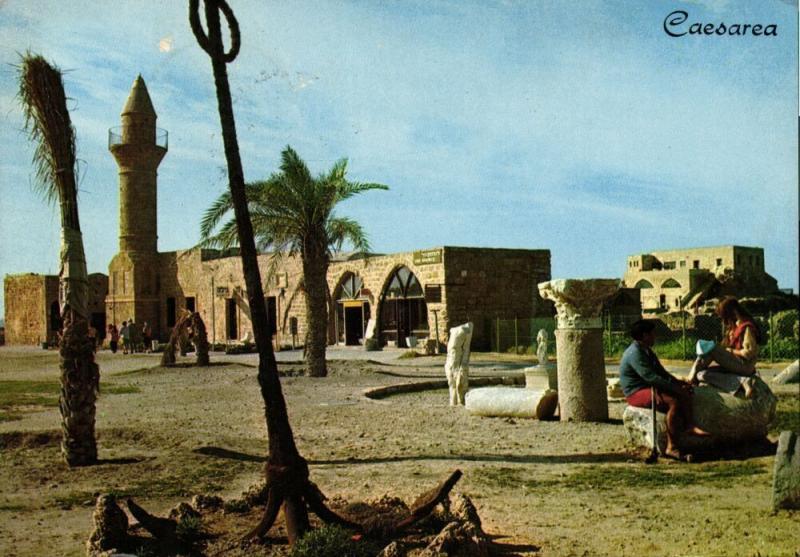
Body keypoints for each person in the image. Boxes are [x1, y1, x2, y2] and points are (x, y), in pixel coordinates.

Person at [619, 319, 708, 460]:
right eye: (651, 334)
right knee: (673, 401)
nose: (654, 337)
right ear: (644, 335)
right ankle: (671, 447)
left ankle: (690, 425)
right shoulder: (635, 353)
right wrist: (675, 389)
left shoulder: (647, 351)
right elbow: (651, 378)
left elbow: (662, 373)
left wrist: (679, 383)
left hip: (648, 387)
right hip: (636, 392)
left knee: (683, 392)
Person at [687, 296, 760, 398]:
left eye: (724, 316)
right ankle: (742, 382)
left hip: (745, 366)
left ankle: (690, 379)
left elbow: (748, 353)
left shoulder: (746, 327)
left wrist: (730, 350)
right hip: (735, 365)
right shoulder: (734, 328)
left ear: (733, 312)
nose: (724, 320)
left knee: (712, 348)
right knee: (701, 374)